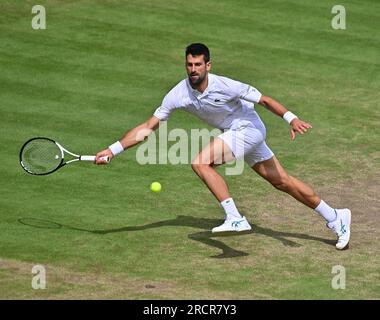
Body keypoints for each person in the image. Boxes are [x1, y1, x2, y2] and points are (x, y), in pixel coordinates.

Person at [95, 43, 351, 250]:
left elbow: (263, 100)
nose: (193, 69)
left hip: (248, 129)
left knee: (200, 162)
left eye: (198, 64)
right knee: (282, 182)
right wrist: (113, 149)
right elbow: (148, 127)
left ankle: (235, 218)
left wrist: (291, 118)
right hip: (236, 134)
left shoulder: (225, 84)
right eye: (189, 64)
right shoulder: (177, 94)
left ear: (208, 65)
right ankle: (336, 216)